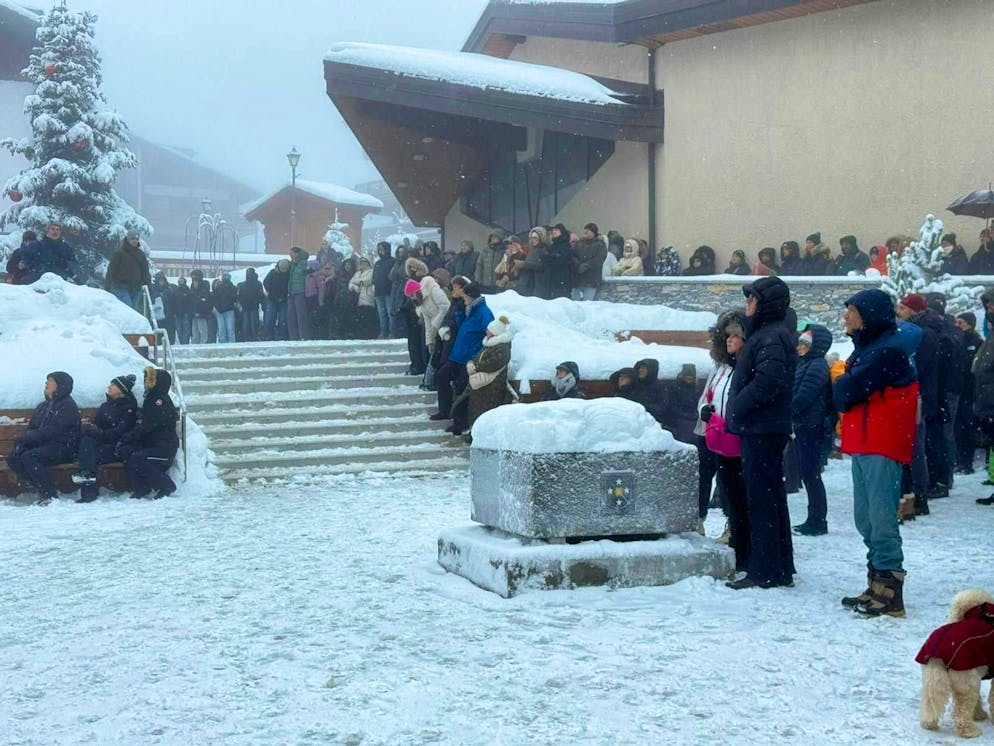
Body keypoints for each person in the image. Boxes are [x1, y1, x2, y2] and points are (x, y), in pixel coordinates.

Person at [835, 289, 919, 617]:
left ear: (868, 316)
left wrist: (843, 380)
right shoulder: (873, 349)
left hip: (881, 443)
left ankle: (890, 592)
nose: (846, 316)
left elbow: (845, 392)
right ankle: (876, 583)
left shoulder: (886, 353)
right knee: (865, 519)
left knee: (881, 520)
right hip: (865, 441)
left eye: (851, 311)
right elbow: (845, 392)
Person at [725, 276, 797, 590]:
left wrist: (737, 406)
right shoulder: (769, 334)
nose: (747, 306)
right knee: (769, 497)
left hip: (763, 428)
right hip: (764, 426)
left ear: (765, 303)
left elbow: (768, 382)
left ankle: (766, 568)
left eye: (752, 300)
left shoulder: (770, 337)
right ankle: (776, 566)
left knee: (763, 499)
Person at [698, 312, 747, 558]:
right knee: (715, 478)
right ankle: (706, 519)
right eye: (727, 336)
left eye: (735, 335)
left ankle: (734, 527)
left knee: (734, 485)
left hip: (734, 433)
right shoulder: (720, 367)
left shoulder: (743, 368)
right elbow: (709, 394)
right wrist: (704, 412)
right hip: (713, 431)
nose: (729, 340)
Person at [6, 372, 80, 504]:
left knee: (31, 456)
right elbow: (32, 428)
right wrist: (22, 443)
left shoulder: (67, 405)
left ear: (60, 385)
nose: (46, 383)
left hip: (64, 447)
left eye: (50, 380)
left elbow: (54, 431)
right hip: (45, 447)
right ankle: (40, 486)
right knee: (13, 457)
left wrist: (29, 438)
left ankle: (49, 495)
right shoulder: (43, 406)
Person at [791, 325, 833, 536]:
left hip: (811, 426)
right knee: (809, 474)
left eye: (804, 344)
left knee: (811, 474)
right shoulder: (805, 364)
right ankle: (814, 518)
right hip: (805, 424)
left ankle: (817, 520)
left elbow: (804, 395)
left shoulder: (816, 365)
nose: (800, 347)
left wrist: (787, 410)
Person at [115, 367, 179, 500]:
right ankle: (141, 487)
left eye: (149, 380)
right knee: (127, 452)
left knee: (138, 457)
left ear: (157, 383)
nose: (145, 383)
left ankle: (166, 485)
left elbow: (147, 426)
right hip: (152, 444)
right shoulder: (151, 399)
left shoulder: (159, 401)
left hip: (164, 448)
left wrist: (127, 437)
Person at [72, 374, 138, 503]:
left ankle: (88, 491)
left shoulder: (129, 408)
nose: (109, 387)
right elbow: (96, 424)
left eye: (113, 385)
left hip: (118, 446)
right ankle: (88, 487)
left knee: (90, 455)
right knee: (87, 445)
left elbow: (119, 432)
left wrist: (99, 433)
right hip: (101, 443)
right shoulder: (105, 406)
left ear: (121, 389)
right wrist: (94, 431)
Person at [445, 283, 494, 436]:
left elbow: (490, 331)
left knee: (463, 391)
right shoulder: (470, 309)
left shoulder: (483, 312)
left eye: (465, 295)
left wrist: (477, 354)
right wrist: (459, 313)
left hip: (470, 356)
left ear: (471, 296)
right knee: (457, 388)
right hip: (460, 355)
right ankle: (457, 421)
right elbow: (463, 327)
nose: (463, 298)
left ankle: (461, 424)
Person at [454, 314, 514, 435]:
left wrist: (476, 367)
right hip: (484, 385)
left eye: (489, 330)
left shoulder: (502, 347)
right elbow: (478, 358)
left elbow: (495, 362)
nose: (486, 331)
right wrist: (471, 363)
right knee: (476, 410)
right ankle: (474, 433)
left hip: (492, 386)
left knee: (484, 412)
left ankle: (479, 435)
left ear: (494, 332)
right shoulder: (490, 344)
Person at [430, 276, 469, 422]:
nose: (454, 289)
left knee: (449, 378)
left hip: (458, 349)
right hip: (448, 346)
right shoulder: (455, 303)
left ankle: (453, 414)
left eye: (457, 287)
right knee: (442, 376)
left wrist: (449, 329)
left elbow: (461, 325)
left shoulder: (464, 305)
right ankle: (445, 410)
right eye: (453, 286)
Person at [954, 312, 982, 475]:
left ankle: (967, 462)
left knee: (967, 426)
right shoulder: (959, 340)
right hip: (961, 389)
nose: (957, 326)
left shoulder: (976, 341)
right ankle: (961, 460)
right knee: (959, 428)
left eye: (961, 322)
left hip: (969, 391)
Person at [104, 230, 150, 309]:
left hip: (136, 288)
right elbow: (111, 271)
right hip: (121, 287)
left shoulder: (140, 254)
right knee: (127, 308)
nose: (134, 241)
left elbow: (145, 271)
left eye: (136, 239)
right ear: (128, 239)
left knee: (134, 311)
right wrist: (107, 287)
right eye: (132, 238)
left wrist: (147, 284)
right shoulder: (119, 253)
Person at [571, 223, 607, 300]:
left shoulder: (600, 244)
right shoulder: (579, 243)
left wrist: (587, 265)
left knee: (587, 303)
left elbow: (600, 259)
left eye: (589, 230)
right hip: (578, 279)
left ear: (594, 232)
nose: (586, 231)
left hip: (591, 280)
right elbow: (573, 256)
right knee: (575, 302)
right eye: (585, 230)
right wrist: (577, 265)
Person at [349, 257, 377, 339]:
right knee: (360, 319)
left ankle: (370, 335)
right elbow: (350, 283)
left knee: (369, 317)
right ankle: (361, 335)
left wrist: (356, 282)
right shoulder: (357, 273)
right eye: (361, 262)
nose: (362, 263)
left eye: (364, 262)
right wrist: (354, 287)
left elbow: (367, 281)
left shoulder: (371, 271)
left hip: (368, 297)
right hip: (358, 299)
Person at [286, 246, 311, 341]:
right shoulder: (293, 264)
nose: (290, 255)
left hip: (301, 292)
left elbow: (309, 272)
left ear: (297, 254)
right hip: (292, 292)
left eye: (291, 253)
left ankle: (303, 336)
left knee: (301, 316)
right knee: (290, 316)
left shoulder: (304, 263)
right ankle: (293, 337)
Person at [518, 227, 550, 298]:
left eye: (535, 238)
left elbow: (542, 266)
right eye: (532, 238)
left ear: (541, 238)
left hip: (537, 286)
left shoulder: (545, 250)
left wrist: (525, 264)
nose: (533, 240)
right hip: (527, 285)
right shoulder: (532, 250)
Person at [372, 241, 395, 339]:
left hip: (389, 291)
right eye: (379, 249)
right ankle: (383, 332)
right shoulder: (377, 263)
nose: (380, 251)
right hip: (378, 292)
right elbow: (374, 277)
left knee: (390, 313)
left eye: (382, 249)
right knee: (382, 314)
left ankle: (392, 332)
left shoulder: (393, 261)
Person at [263, 260, 290, 341]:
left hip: (284, 300)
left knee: (283, 321)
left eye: (285, 269)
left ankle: (282, 337)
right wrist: (271, 292)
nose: (284, 271)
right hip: (272, 300)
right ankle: (271, 337)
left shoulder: (289, 274)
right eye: (282, 269)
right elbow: (265, 282)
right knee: (270, 320)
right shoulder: (272, 273)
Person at [236, 267, 264, 342]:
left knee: (248, 324)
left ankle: (248, 338)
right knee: (251, 324)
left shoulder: (241, 284)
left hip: (248, 306)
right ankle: (252, 337)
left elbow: (238, 296)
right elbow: (261, 295)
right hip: (251, 306)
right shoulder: (257, 284)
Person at [545, 224, 573, 299]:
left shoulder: (566, 246)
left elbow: (564, 259)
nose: (554, 232)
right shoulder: (552, 246)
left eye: (556, 230)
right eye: (553, 230)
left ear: (562, 232)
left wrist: (552, 257)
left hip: (563, 279)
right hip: (551, 279)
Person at [389, 247, 410, 339]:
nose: (400, 254)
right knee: (394, 310)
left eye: (402, 252)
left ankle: (402, 333)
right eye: (399, 252)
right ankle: (395, 332)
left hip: (404, 288)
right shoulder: (396, 263)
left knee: (402, 309)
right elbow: (391, 276)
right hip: (395, 288)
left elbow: (406, 275)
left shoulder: (408, 262)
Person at [212, 272, 238, 344]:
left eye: (227, 277)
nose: (225, 278)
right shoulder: (218, 288)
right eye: (224, 277)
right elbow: (214, 298)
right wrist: (217, 308)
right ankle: (222, 346)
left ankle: (232, 345)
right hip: (220, 311)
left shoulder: (233, 287)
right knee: (221, 330)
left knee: (230, 330)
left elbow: (234, 298)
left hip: (229, 311)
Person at [188, 269, 213, 344]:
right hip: (193, 313)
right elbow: (191, 300)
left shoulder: (204, 286)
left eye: (195, 278)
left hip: (202, 314)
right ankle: (194, 347)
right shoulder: (192, 287)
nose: (194, 280)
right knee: (195, 334)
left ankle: (203, 346)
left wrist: (200, 312)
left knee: (203, 332)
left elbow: (205, 300)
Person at [151, 272, 176, 343]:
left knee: (169, 335)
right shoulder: (153, 290)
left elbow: (173, 302)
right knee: (158, 336)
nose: (162, 283)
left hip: (169, 316)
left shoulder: (169, 290)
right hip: (158, 316)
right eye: (160, 281)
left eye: (163, 281)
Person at [173, 276, 192, 345]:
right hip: (177, 314)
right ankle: (181, 343)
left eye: (182, 281)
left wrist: (188, 312)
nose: (180, 282)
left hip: (185, 314)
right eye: (179, 281)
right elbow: (173, 302)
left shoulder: (187, 290)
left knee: (186, 330)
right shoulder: (175, 291)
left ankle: (185, 343)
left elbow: (190, 302)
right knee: (179, 330)